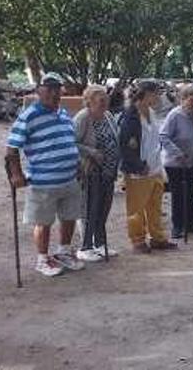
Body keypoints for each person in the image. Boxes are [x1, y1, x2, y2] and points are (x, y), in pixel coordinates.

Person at [6, 73, 86, 276]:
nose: (54, 93)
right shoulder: (28, 116)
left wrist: (77, 164)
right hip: (43, 181)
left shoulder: (63, 113)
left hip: (69, 179)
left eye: (57, 88)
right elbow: (12, 149)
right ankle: (42, 259)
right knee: (43, 221)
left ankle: (64, 252)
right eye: (49, 88)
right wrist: (16, 174)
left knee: (69, 217)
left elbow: (69, 142)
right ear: (38, 91)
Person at [119, 80, 176, 253]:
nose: (159, 97)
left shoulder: (150, 112)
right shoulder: (130, 117)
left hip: (155, 168)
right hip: (139, 171)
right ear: (147, 94)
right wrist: (137, 165)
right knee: (136, 209)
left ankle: (157, 237)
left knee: (155, 207)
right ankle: (137, 239)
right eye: (157, 93)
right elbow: (126, 146)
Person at [74, 85, 120, 262]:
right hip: (91, 171)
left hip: (108, 171)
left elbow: (115, 139)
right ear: (89, 101)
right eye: (100, 99)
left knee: (103, 209)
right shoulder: (83, 118)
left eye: (105, 99)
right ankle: (85, 246)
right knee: (90, 209)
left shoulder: (108, 116)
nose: (104, 102)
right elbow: (72, 143)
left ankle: (100, 243)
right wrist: (91, 152)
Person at [161, 85, 193, 239]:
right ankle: (177, 226)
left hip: (191, 162)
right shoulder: (175, 115)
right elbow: (163, 136)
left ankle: (191, 223)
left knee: (192, 194)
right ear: (182, 99)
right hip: (176, 163)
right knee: (179, 195)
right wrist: (176, 152)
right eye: (191, 100)